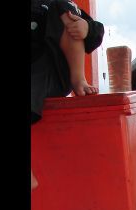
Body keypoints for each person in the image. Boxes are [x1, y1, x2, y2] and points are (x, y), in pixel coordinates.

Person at [31, 0, 104, 189]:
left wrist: (87, 28)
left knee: (63, 8)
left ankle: (78, 79)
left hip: (51, 71)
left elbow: (97, 30)